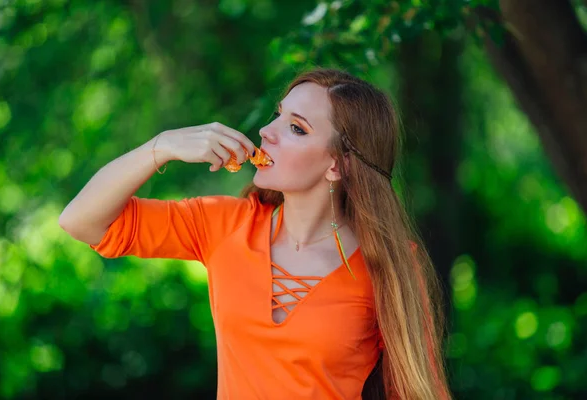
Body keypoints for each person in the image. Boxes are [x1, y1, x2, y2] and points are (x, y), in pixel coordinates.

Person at [59, 68, 451, 400]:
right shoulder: (223, 224)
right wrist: (163, 147)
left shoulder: (391, 265)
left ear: (338, 165)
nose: (266, 131)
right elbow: (81, 221)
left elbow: (419, 390)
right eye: (278, 115)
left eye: (296, 128)